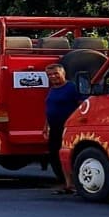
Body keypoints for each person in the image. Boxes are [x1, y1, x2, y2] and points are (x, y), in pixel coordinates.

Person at [44, 63, 83, 194]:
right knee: (54, 156)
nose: (52, 76)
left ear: (63, 73)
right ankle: (65, 184)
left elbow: (81, 106)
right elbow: (49, 109)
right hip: (54, 128)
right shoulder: (52, 90)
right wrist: (46, 126)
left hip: (68, 128)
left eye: (55, 73)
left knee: (66, 156)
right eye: (49, 74)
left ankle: (73, 185)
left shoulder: (72, 88)